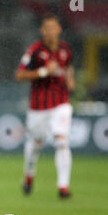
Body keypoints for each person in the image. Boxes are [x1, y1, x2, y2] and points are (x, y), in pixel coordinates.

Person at [14, 13, 75, 199]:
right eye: (46, 28)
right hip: (38, 106)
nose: (50, 31)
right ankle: (29, 175)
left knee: (61, 141)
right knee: (35, 145)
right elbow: (19, 75)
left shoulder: (65, 49)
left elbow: (69, 67)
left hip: (61, 103)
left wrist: (70, 80)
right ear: (42, 30)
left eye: (53, 28)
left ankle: (63, 186)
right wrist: (42, 71)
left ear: (59, 29)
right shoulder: (35, 49)